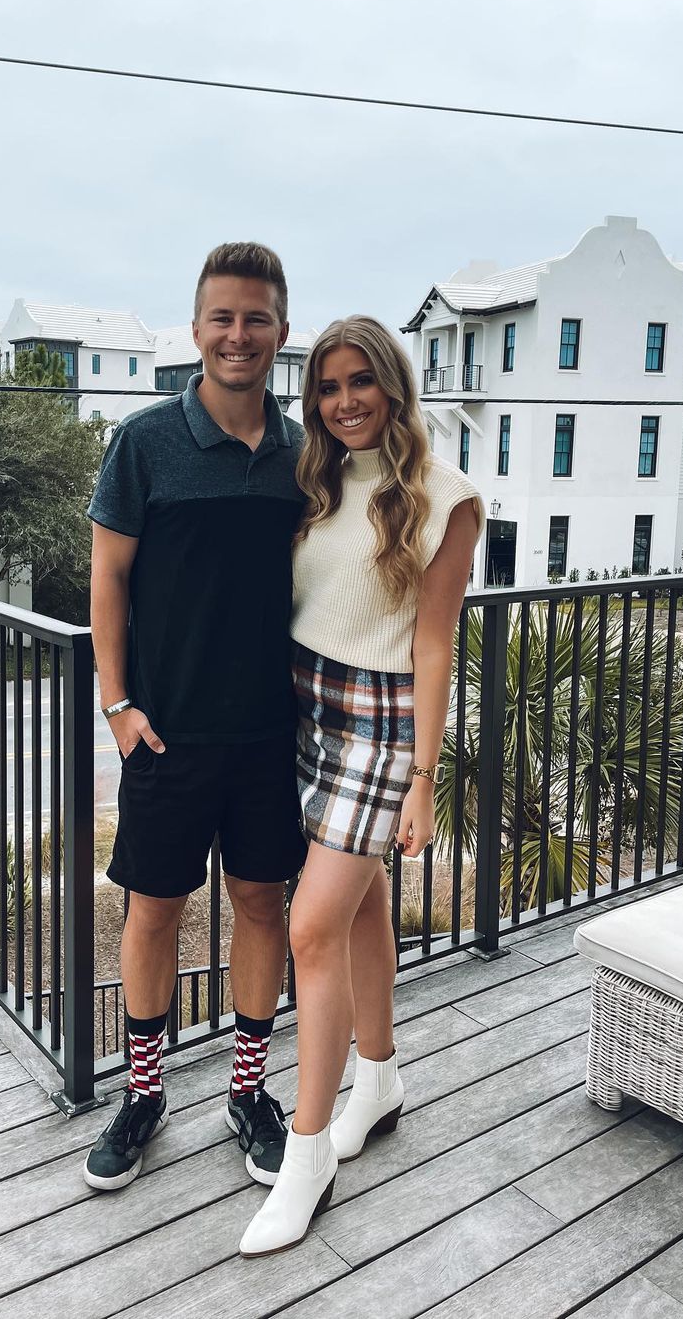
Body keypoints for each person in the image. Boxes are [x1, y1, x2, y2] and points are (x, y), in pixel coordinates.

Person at [239, 316, 484, 1256]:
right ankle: (377, 1082)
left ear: (393, 386)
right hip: (304, 709)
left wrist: (423, 778)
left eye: (360, 384)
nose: (344, 401)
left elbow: (433, 643)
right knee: (363, 911)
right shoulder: (323, 480)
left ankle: (307, 1158)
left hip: (381, 726)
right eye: (329, 387)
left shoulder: (445, 498)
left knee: (310, 926)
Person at [83, 243, 307, 1193]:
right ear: (196, 329)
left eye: (256, 319)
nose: (238, 335)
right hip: (167, 732)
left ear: (280, 332)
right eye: (222, 318)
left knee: (263, 905)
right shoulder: (143, 443)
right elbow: (108, 577)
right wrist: (118, 703)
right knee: (154, 913)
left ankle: (247, 1093)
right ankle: (145, 1096)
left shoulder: (307, 452)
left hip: (269, 735)